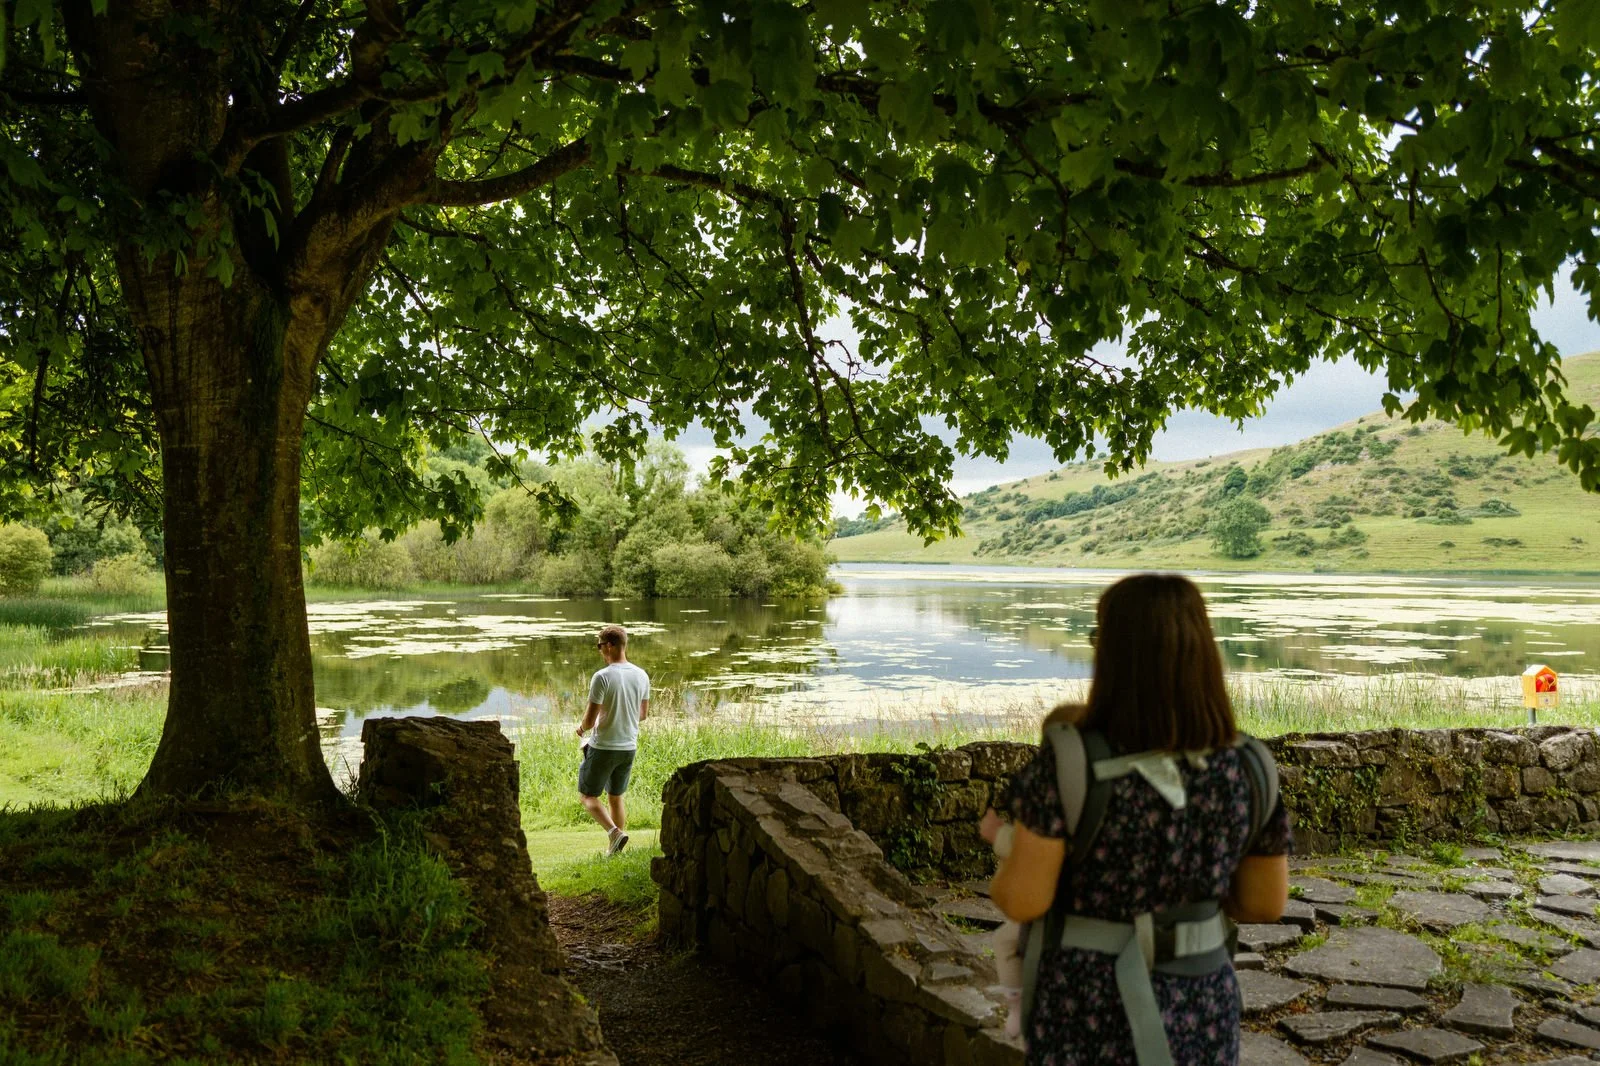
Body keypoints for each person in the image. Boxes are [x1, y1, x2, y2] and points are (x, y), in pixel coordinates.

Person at [987, 574, 1291, 1066]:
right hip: (1202, 1009)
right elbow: (1263, 902)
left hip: (1086, 1014)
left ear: (1112, 656)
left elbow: (1022, 898)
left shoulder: (1071, 763)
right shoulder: (1247, 767)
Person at [575, 624, 650, 856]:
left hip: (604, 746)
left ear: (609, 645)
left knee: (587, 796)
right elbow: (643, 715)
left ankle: (614, 833)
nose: (599, 650)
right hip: (628, 746)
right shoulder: (641, 675)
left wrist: (580, 728)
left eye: (599, 646)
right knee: (616, 797)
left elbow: (589, 719)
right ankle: (616, 850)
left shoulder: (602, 677)